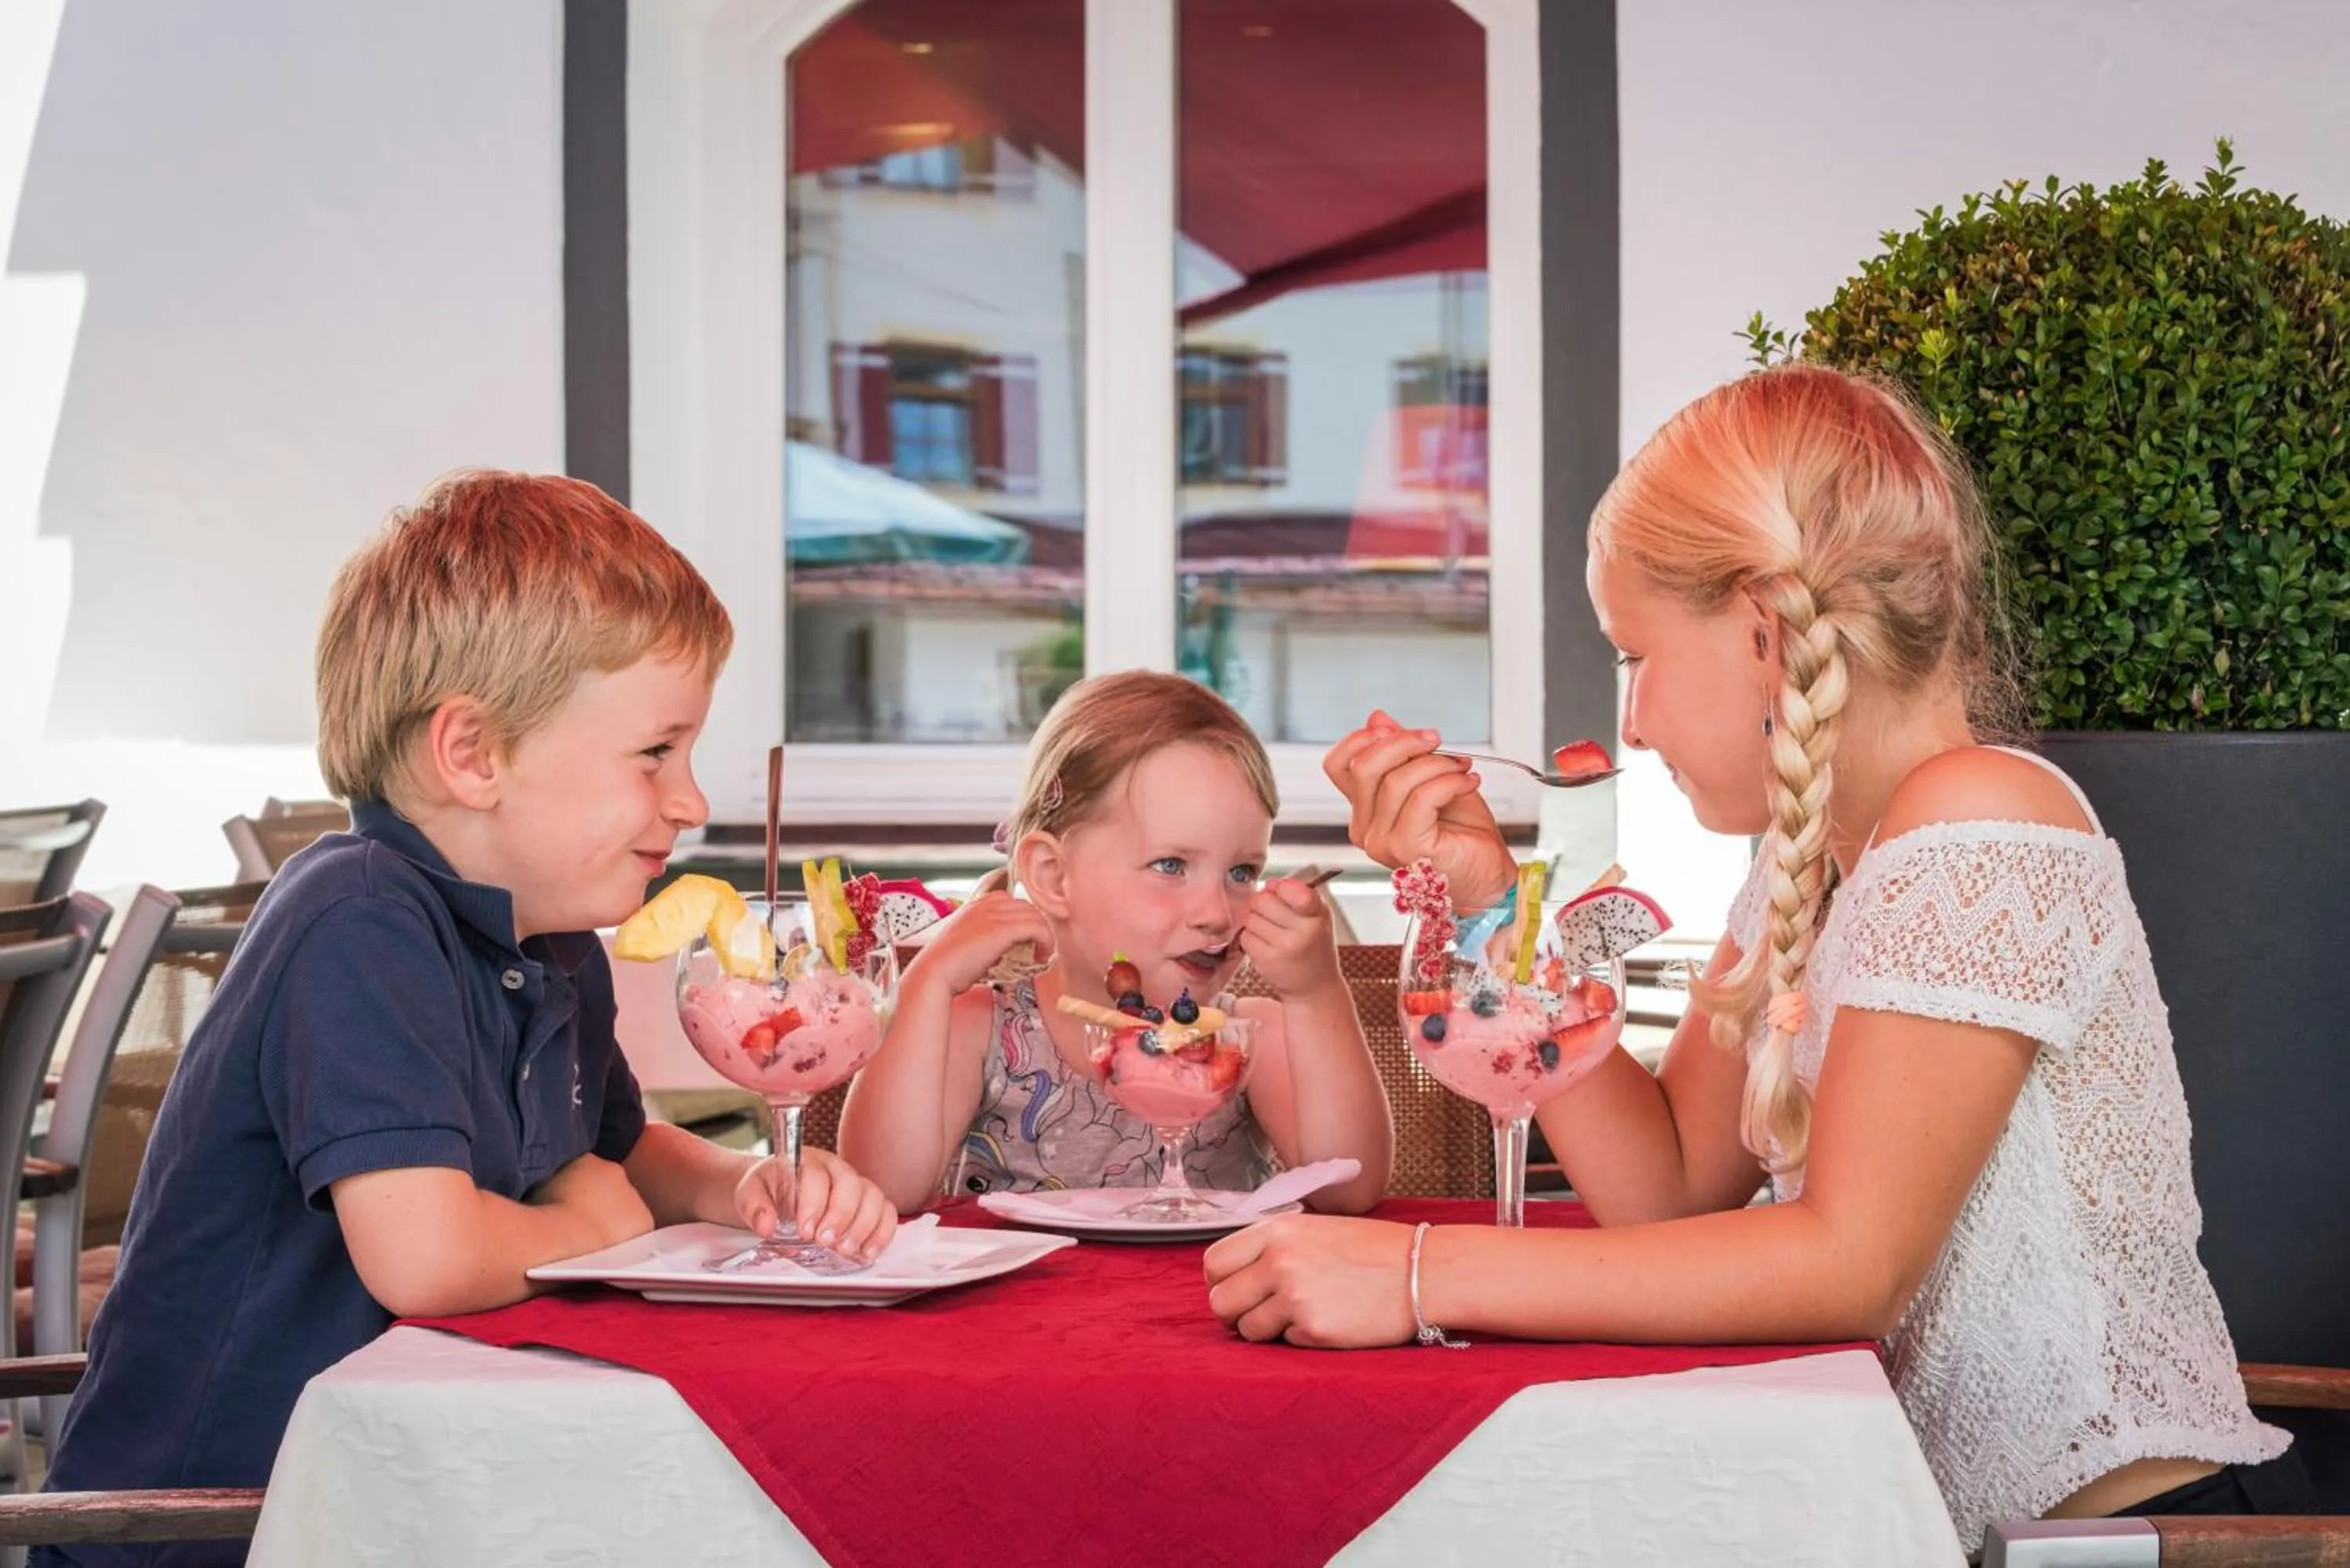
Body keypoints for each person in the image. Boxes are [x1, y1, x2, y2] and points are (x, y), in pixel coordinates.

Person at [1202, 365, 2305, 1551]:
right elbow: (1666, 1189)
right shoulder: (1812, 861)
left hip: (2121, 1548)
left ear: (1764, 630)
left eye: (1635, 657)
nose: (1633, 720)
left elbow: (1849, 1261)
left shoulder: (1982, 822)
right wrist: (1483, 887)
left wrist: (1418, 1272)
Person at [40, 472, 896, 1566]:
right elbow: (430, 1257)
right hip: (215, 1527)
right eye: (655, 753)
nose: (689, 800)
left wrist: (748, 1189)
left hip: (405, 1497)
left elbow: (620, 1150)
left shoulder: (549, 936)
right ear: (474, 754)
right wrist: (601, 1225)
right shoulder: (358, 919)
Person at [840, 670, 1392, 1212]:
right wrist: (928, 981)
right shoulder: (979, 1029)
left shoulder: (1249, 1037)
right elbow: (882, 1188)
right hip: (1026, 1304)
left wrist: (1316, 993)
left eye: (1242, 872)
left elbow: (1345, 1191)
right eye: (1171, 865)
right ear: (1055, 877)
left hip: (1212, 1301)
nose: (1217, 914)